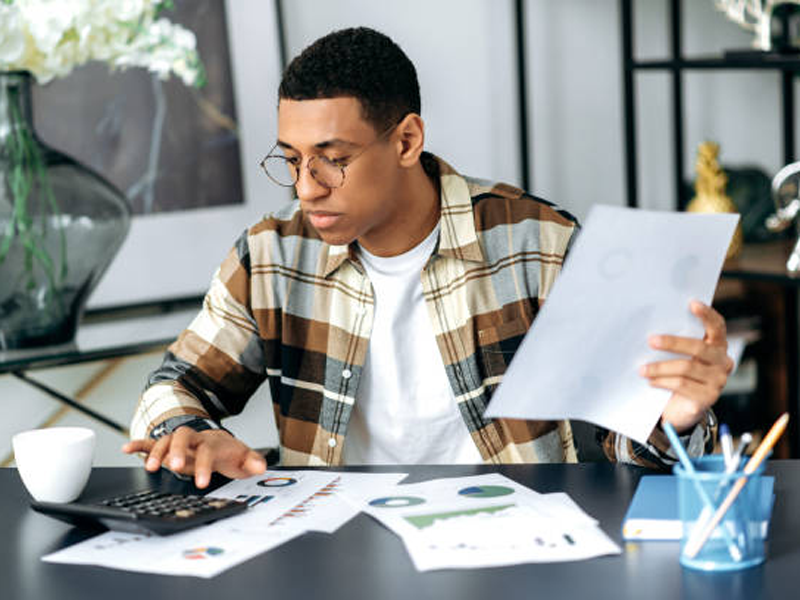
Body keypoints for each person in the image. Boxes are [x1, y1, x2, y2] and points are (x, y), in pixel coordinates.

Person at [124, 27, 733, 488]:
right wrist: (189, 432)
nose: (306, 186)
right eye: (291, 158)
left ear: (408, 141)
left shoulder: (539, 246)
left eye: (332, 158)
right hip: (339, 554)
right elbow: (173, 386)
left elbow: (625, 455)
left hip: (522, 554)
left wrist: (675, 418)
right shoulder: (271, 258)